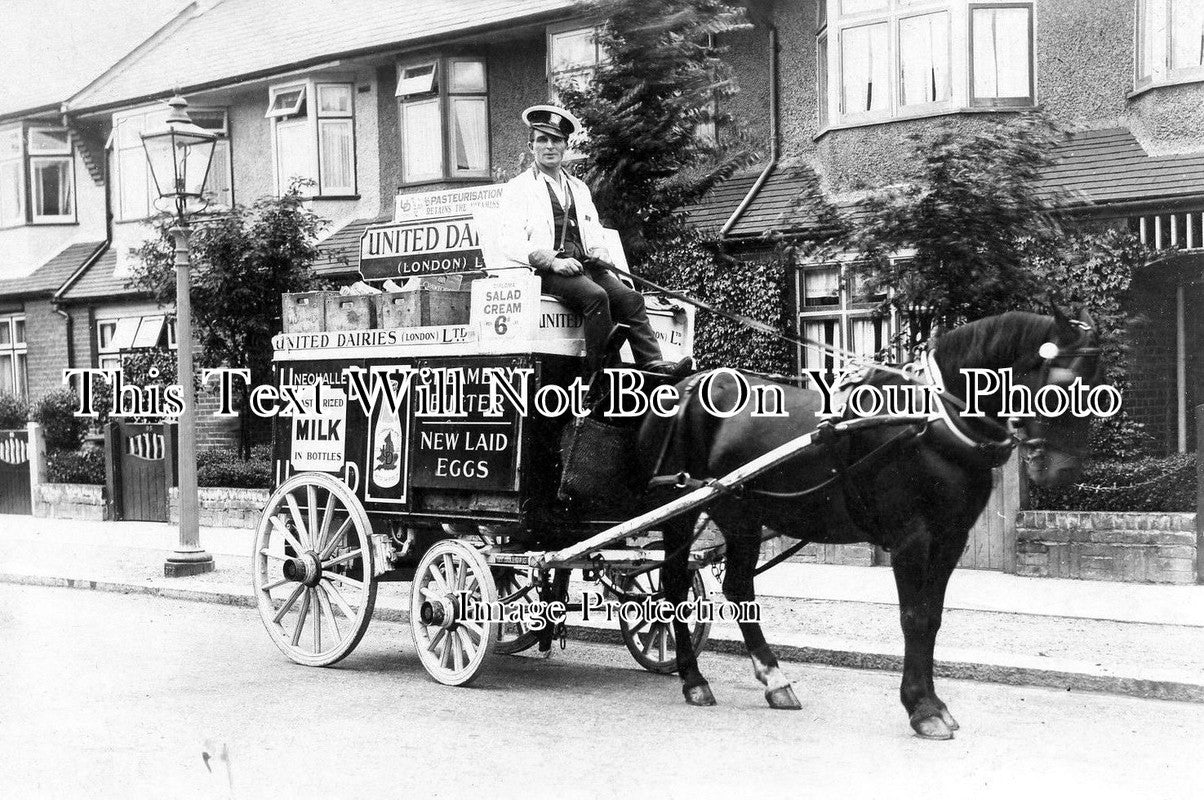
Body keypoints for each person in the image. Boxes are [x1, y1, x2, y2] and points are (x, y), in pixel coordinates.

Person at [498, 104, 688, 376]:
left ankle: (653, 365)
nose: (549, 146)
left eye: (557, 140)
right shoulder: (518, 188)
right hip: (544, 272)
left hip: (584, 266)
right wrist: (552, 261)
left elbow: (594, 230)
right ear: (531, 146)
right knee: (596, 297)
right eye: (542, 140)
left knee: (632, 299)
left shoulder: (579, 188)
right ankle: (600, 375)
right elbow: (509, 242)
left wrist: (601, 254)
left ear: (565, 146)